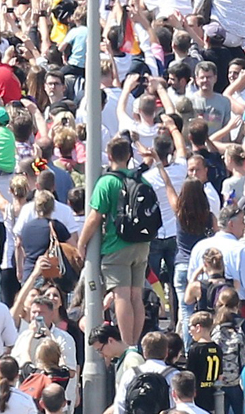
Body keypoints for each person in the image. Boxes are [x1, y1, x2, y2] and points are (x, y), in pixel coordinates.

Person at [78, 136, 153, 346]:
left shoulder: (107, 181)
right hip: (142, 243)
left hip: (116, 245)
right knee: (136, 296)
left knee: (122, 296)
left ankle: (127, 343)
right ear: (129, 156)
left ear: (109, 156)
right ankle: (135, 343)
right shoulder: (141, 180)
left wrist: (82, 243)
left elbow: (95, 217)